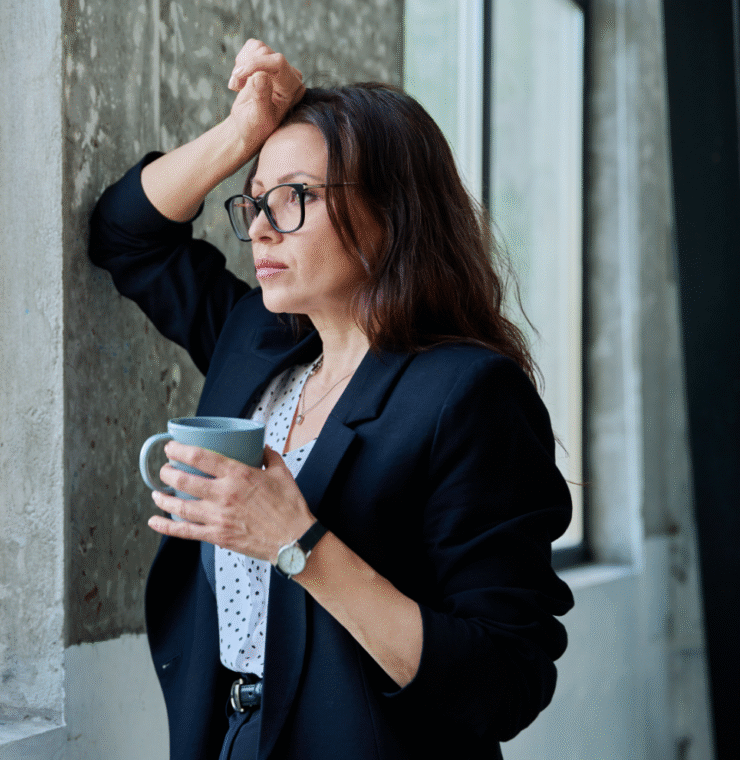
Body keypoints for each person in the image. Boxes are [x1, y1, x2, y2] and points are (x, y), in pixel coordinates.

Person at [89, 39, 573, 760]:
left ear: (394, 212)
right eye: (255, 200)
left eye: (297, 199)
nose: (258, 226)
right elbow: (128, 234)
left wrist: (299, 543)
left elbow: (506, 678)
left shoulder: (468, 394)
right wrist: (243, 131)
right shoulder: (258, 339)